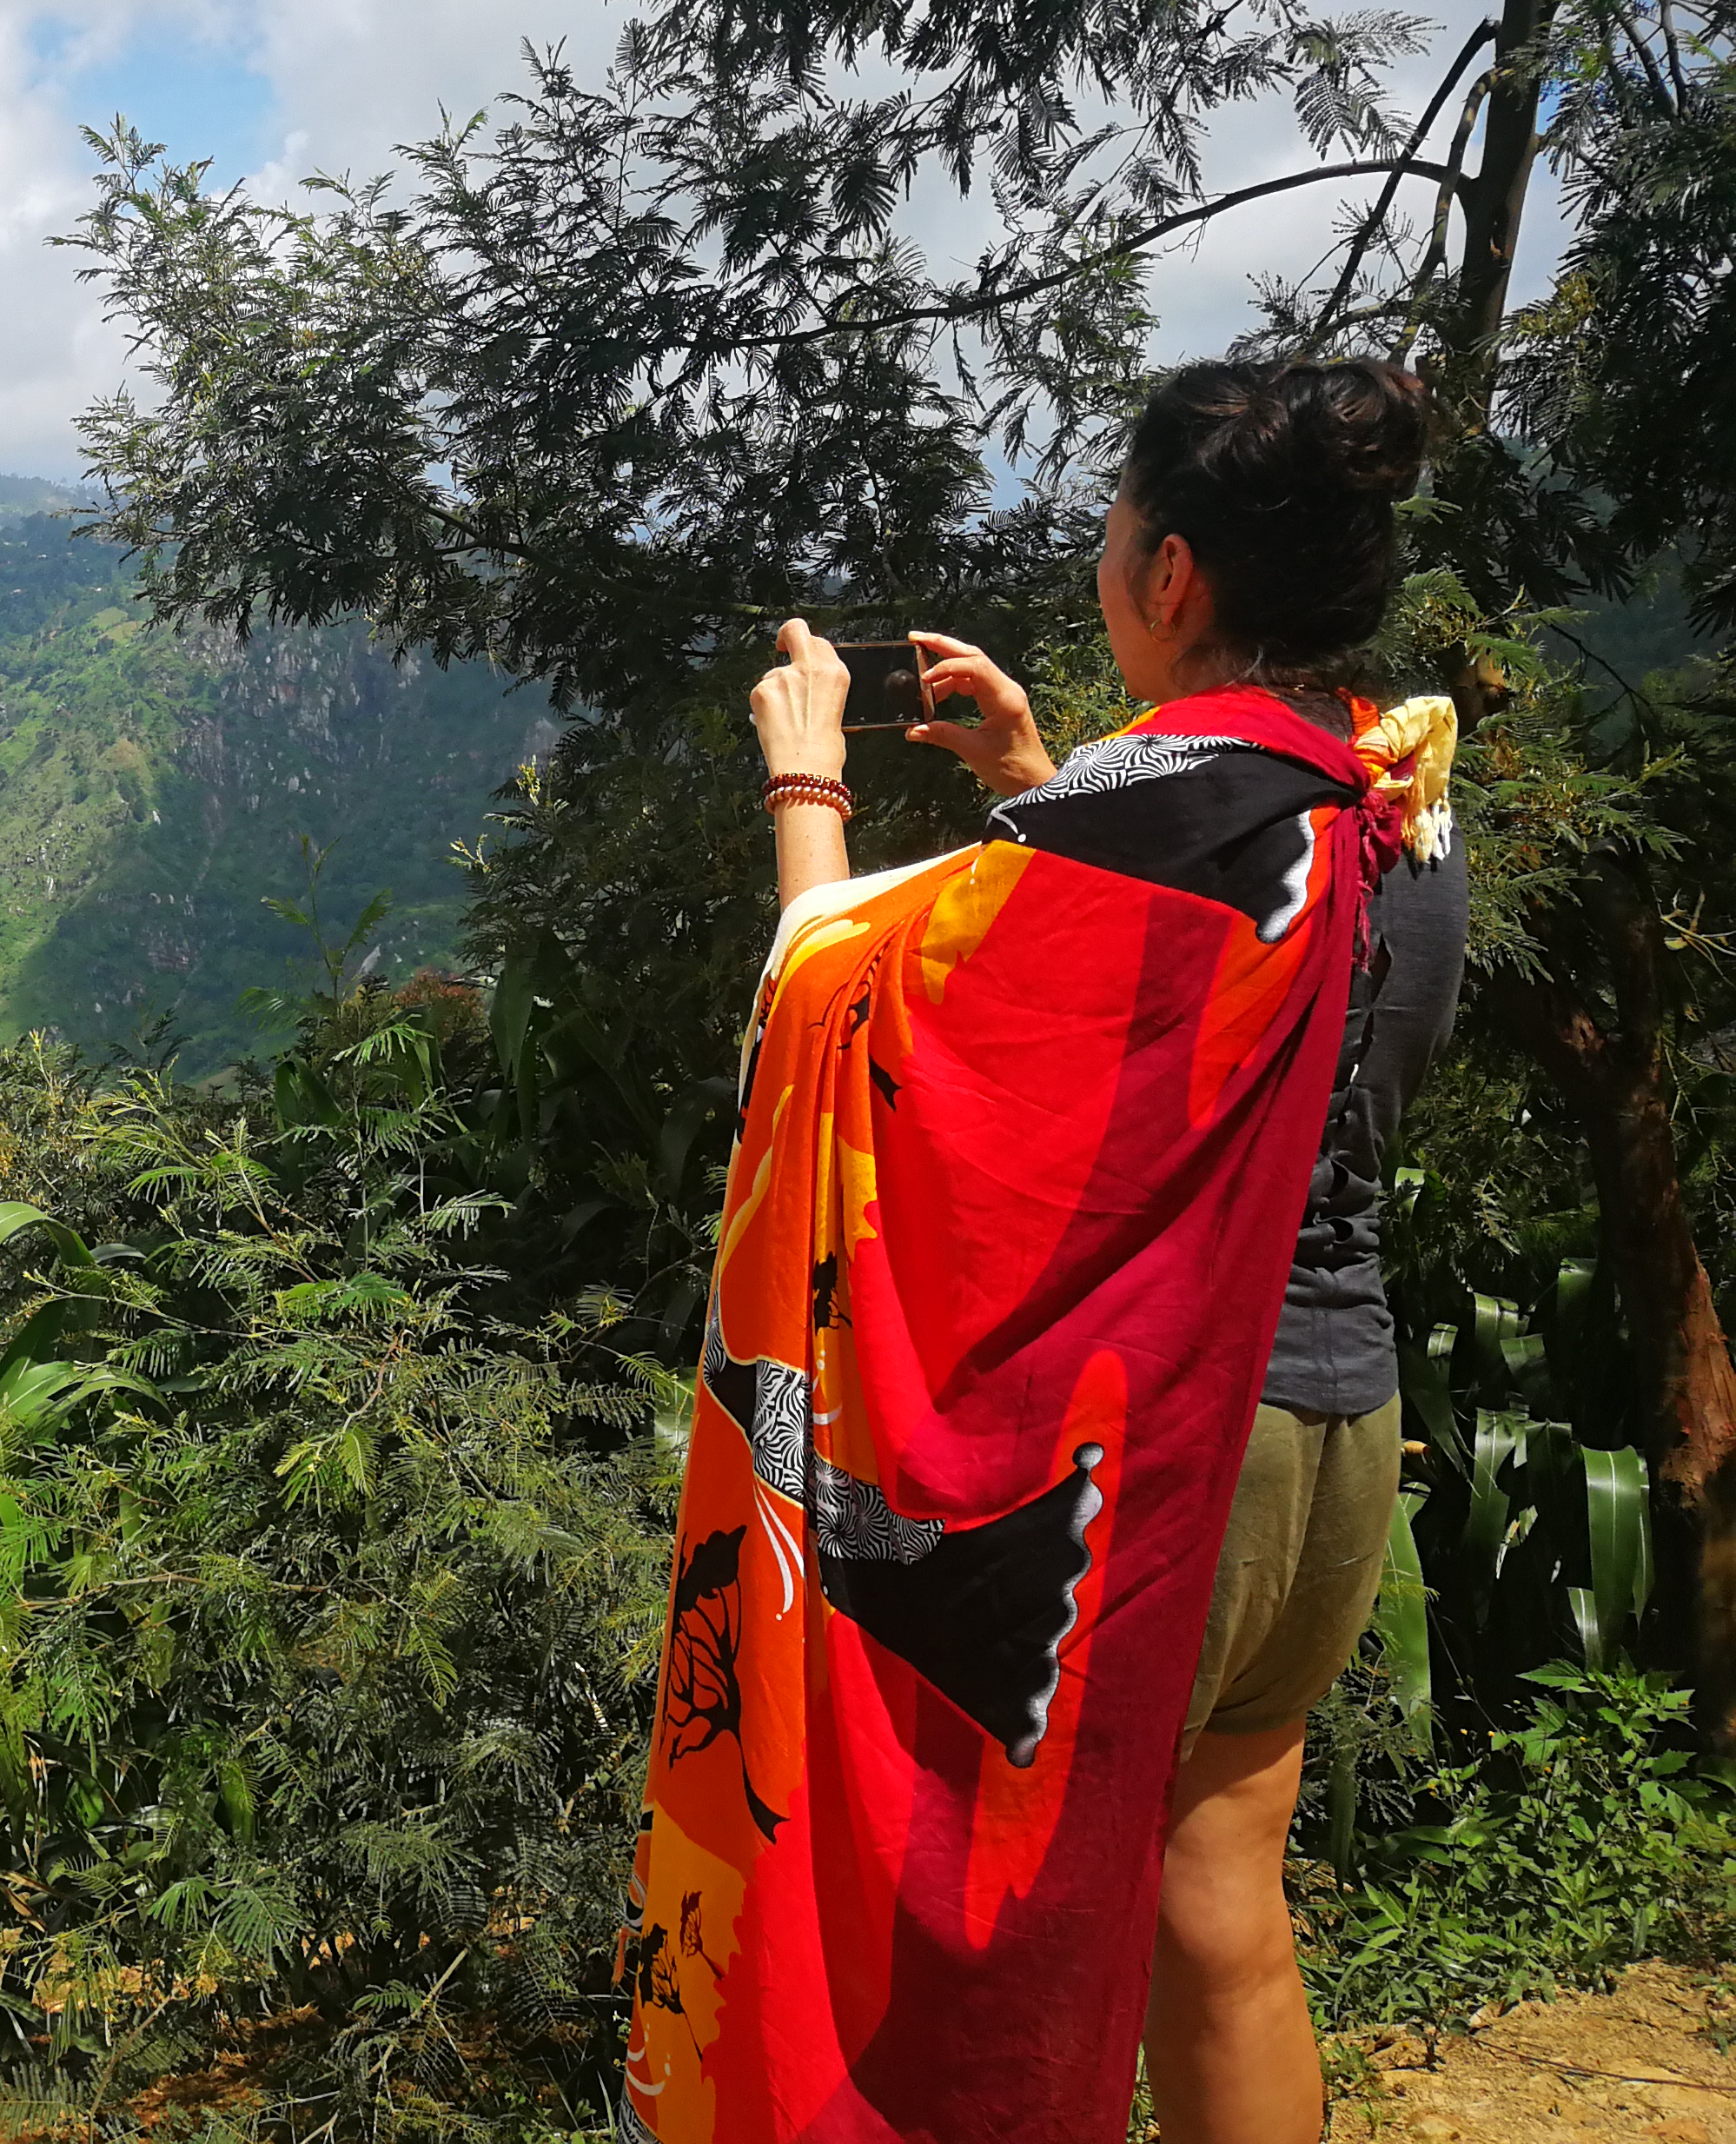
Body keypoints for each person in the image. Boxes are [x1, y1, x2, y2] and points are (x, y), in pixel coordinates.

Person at [613, 361, 1457, 2144]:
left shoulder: (1146, 833)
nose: (1101, 560)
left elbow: (852, 1031)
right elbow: (1210, 990)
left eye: (1114, 530)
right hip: (1333, 1429)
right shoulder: (1383, 804)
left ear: (1170, 577)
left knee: (994, 1949)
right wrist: (1040, 774)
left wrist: (804, 783)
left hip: (1158, 1467)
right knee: (1221, 1918)